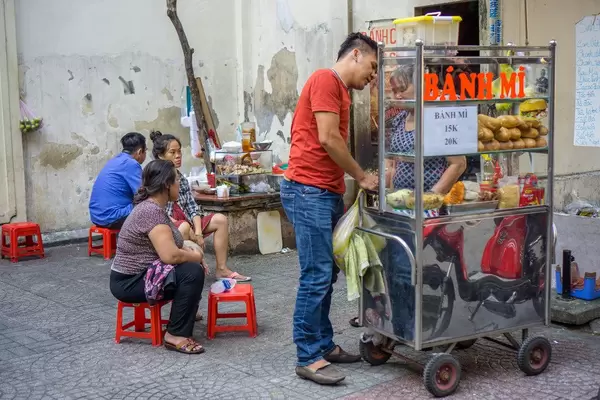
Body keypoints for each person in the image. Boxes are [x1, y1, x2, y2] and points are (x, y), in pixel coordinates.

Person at [280, 32, 379, 385]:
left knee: (328, 273)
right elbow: (328, 138)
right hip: (307, 192)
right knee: (316, 274)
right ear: (356, 54)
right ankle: (308, 355)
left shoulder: (342, 92)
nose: (373, 76)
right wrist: (361, 177)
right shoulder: (325, 79)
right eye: (372, 66)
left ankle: (322, 344)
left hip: (324, 192)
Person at [350, 64, 467, 337]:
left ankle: (412, 329)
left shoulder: (439, 119)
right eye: (396, 89)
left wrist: (430, 197)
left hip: (427, 210)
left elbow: (457, 164)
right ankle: (393, 322)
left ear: (424, 86)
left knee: (408, 268)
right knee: (387, 264)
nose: (398, 94)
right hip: (398, 206)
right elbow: (391, 160)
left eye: (404, 88)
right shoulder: (399, 119)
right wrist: (386, 187)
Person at [110, 159, 206, 354]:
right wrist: (196, 257)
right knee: (191, 272)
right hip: (129, 282)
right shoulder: (151, 212)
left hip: (144, 275)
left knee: (190, 268)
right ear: (166, 185)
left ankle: (183, 317)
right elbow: (170, 256)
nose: (180, 184)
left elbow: (175, 243)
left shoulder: (155, 208)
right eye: (177, 180)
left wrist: (190, 250)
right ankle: (175, 335)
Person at [150, 130, 251, 283]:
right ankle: (184, 274)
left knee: (220, 219)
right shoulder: (156, 178)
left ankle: (222, 269)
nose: (178, 156)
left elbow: (192, 207)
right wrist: (188, 231)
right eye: (173, 152)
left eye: (179, 152)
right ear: (161, 156)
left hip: (186, 222)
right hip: (170, 226)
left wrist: (197, 232)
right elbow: (158, 212)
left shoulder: (181, 178)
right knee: (183, 227)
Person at [89, 132, 147, 229]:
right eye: (146, 151)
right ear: (140, 152)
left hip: (96, 216)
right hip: (111, 216)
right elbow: (143, 193)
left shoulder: (115, 161)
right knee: (149, 207)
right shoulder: (131, 164)